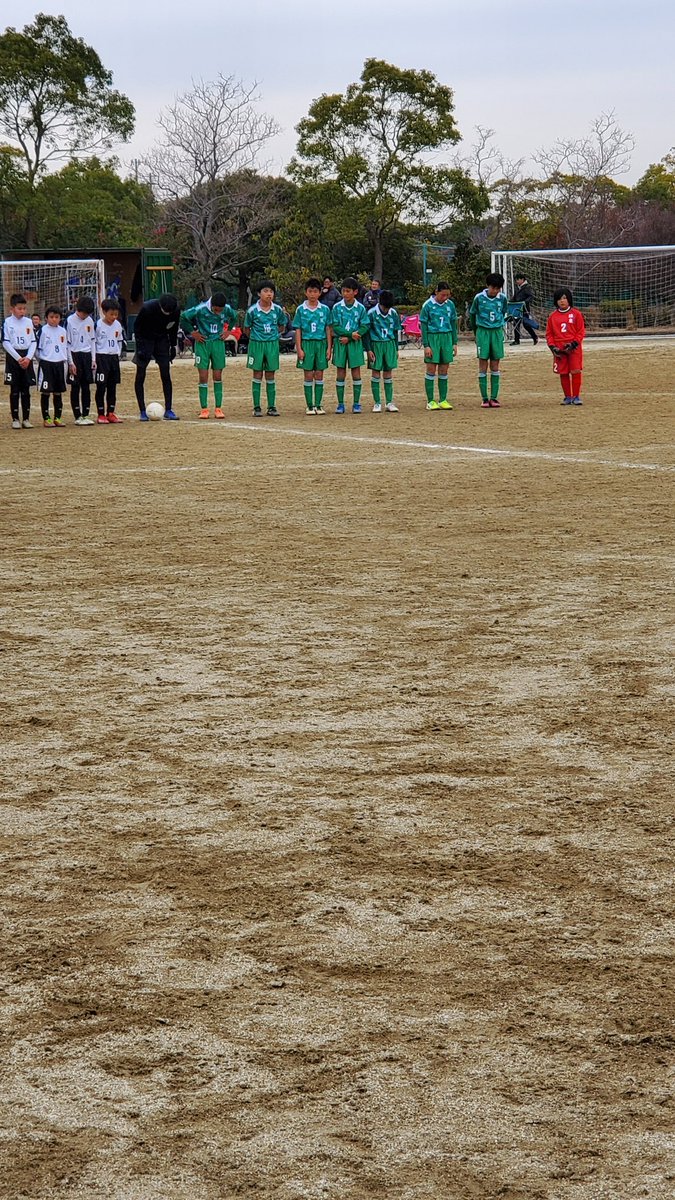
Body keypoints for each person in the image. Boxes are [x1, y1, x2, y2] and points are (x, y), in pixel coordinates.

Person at [180, 292, 237, 419]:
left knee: (218, 375)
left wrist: (228, 331)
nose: (218, 313)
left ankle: (218, 408)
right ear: (212, 305)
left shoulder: (226, 309)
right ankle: (204, 409)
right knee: (203, 376)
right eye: (216, 310)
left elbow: (234, 317)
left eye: (220, 311)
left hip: (218, 343)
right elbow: (183, 318)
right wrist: (193, 332)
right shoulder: (200, 309)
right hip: (203, 343)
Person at [133, 293, 181, 421]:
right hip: (145, 339)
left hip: (161, 339)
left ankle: (169, 409)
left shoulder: (175, 311)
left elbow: (173, 328)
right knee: (140, 374)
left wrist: (173, 346)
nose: (167, 313)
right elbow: (137, 327)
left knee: (166, 373)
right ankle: (142, 410)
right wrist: (140, 347)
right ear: (160, 306)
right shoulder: (147, 308)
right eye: (165, 311)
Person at [243, 281, 287, 416]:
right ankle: (256, 407)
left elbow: (282, 326)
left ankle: (272, 406)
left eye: (271, 292)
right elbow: (246, 329)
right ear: (259, 294)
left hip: (272, 344)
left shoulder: (278, 310)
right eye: (266, 291)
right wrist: (257, 338)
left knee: (270, 374)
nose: (269, 294)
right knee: (257, 374)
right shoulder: (252, 311)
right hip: (257, 344)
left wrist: (272, 336)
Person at [293, 277, 333, 415]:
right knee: (308, 374)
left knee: (319, 374)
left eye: (315, 291)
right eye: (310, 291)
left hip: (321, 344)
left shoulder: (325, 309)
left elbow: (328, 329)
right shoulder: (300, 310)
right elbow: (298, 329)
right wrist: (299, 348)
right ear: (306, 292)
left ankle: (319, 404)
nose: (312, 294)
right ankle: (309, 405)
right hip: (307, 343)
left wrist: (329, 348)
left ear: (319, 293)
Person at [469, 272, 509, 408]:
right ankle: (484, 398)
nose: (495, 291)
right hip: (483, 332)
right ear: (488, 286)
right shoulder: (479, 298)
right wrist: (476, 333)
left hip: (496, 332)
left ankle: (494, 397)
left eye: (498, 288)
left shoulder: (502, 298)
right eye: (493, 288)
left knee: (495, 364)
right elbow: (473, 315)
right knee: (483, 364)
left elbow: (503, 312)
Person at [331, 277, 369, 414]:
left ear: (355, 292)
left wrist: (354, 336)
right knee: (340, 372)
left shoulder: (360, 308)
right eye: (343, 291)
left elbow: (365, 325)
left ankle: (356, 403)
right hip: (341, 343)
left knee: (356, 372)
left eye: (348, 291)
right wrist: (349, 335)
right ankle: (340, 404)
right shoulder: (336, 307)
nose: (345, 294)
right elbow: (335, 326)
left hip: (355, 344)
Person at [420, 281, 458, 410]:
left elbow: (453, 324)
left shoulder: (450, 305)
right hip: (433, 337)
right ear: (436, 292)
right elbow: (424, 326)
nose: (445, 298)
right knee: (431, 369)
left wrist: (454, 342)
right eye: (443, 295)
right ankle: (430, 401)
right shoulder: (427, 306)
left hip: (446, 338)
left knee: (444, 369)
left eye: (447, 295)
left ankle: (443, 399)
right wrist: (426, 345)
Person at [546, 287, 586, 406]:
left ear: (569, 299)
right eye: (559, 299)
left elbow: (581, 331)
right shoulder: (552, 316)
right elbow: (549, 334)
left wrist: (574, 344)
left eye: (564, 298)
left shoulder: (576, 314)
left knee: (575, 371)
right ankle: (567, 396)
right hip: (560, 348)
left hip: (574, 348)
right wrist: (553, 347)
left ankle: (576, 396)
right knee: (563, 372)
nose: (562, 301)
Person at [3, 293, 37, 429]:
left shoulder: (29, 322)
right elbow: (5, 343)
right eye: (19, 308)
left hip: (26, 358)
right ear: (12, 309)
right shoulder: (7, 322)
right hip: (14, 358)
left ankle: (26, 418)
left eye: (24, 308)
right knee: (14, 389)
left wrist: (28, 357)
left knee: (26, 389)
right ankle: (15, 418)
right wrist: (18, 358)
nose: (22, 311)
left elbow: (33, 341)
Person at [365, 289, 401, 412]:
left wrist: (396, 348)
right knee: (375, 373)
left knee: (388, 372)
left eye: (388, 308)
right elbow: (366, 333)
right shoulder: (371, 313)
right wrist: (369, 349)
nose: (386, 310)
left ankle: (389, 402)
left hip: (389, 344)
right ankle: (377, 403)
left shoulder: (394, 313)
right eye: (384, 307)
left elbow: (396, 332)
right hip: (376, 345)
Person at [67, 295, 96, 425]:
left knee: (86, 386)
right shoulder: (69, 321)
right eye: (83, 313)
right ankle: (77, 415)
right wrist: (70, 362)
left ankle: (85, 414)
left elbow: (92, 341)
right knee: (75, 387)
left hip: (87, 355)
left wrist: (93, 359)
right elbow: (67, 344)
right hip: (75, 355)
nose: (84, 316)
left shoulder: (90, 321)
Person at [94, 299, 125, 423]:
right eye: (111, 314)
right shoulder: (98, 325)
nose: (114, 317)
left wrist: (117, 352)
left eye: (116, 314)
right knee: (101, 387)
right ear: (104, 312)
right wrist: (95, 359)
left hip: (113, 358)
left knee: (112, 386)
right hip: (101, 358)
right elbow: (93, 342)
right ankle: (101, 414)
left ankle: (111, 412)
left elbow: (119, 340)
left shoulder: (118, 325)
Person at [36, 306, 68, 426]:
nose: (54, 319)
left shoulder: (63, 331)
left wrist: (68, 362)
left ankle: (57, 418)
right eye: (51, 317)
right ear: (46, 318)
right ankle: (46, 418)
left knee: (58, 392)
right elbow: (37, 349)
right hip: (46, 364)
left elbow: (65, 348)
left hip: (60, 364)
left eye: (57, 317)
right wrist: (42, 360)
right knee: (46, 392)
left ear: (60, 318)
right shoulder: (43, 331)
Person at [511, 273, 538, 345]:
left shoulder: (527, 287)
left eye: (518, 279)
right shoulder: (517, 288)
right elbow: (514, 298)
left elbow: (531, 296)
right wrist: (510, 302)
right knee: (516, 323)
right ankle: (516, 340)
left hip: (525, 309)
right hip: (517, 309)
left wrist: (525, 302)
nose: (516, 281)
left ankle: (534, 337)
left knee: (526, 324)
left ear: (522, 280)